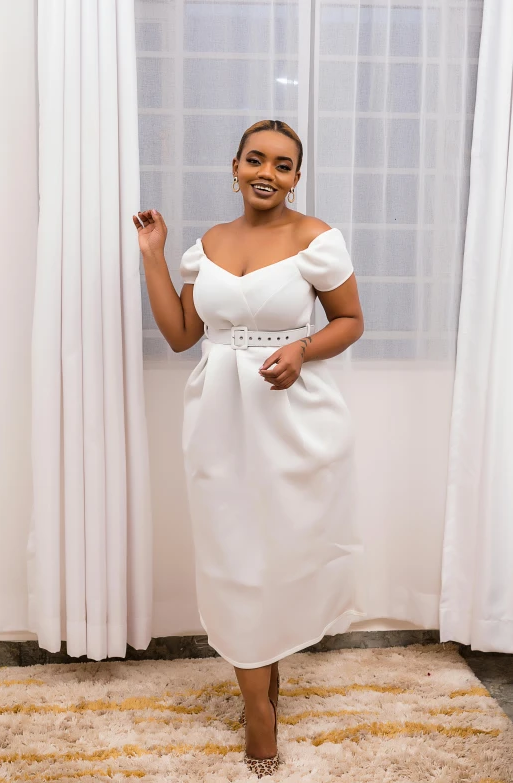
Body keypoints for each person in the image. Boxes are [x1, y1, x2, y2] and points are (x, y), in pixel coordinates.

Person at [133, 119, 367, 778]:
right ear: (234, 166)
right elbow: (183, 334)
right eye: (256, 159)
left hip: (294, 421)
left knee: (283, 556)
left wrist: (302, 347)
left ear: (297, 176)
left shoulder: (315, 239)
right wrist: (154, 252)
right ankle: (258, 708)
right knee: (235, 556)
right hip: (217, 421)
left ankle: (265, 683)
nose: (268, 172)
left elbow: (350, 320)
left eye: (284, 164)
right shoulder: (205, 246)